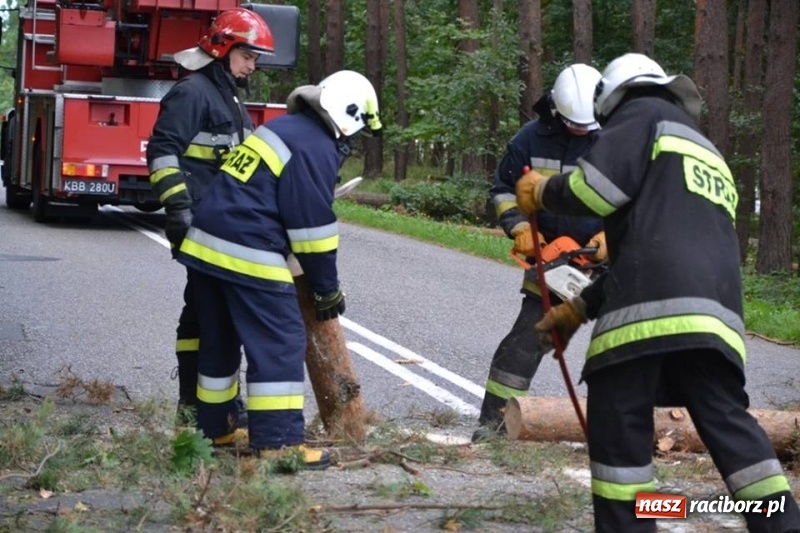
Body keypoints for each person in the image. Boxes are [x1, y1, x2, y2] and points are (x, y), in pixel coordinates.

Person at [516, 53, 800, 532]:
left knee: (618, 416)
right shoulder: (707, 151)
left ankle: (629, 524)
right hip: (716, 321)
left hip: (645, 316)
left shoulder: (641, 114)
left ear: (613, 98)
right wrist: (576, 311)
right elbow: (655, 252)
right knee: (731, 427)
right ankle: (782, 522)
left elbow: (594, 190)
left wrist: (543, 192)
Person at [173, 70, 382, 469]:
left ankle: (215, 428)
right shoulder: (316, 146)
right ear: (349, 115)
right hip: (246, 249)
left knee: (218, 341)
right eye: (357, 133)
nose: (352, 143)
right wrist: (326, 289)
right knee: (282, 339)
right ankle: (280, 444)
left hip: (205, 247)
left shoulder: (284, 129)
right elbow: (313, 232)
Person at [146, 8, 274, 433]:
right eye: (248, 56)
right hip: (200, 224)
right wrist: (179, 211)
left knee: (200, 317)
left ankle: (196, 408)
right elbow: (163, 153)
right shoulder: (193, 93)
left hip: (222, 224)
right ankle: (207, 410)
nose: (253, 65)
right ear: (223, 48)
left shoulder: (229, 96)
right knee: (214, 317)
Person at [474, 64, 606, 442]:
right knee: (523, 343)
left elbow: (642, 198)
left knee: (626, 345)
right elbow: (503, 188)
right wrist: (517, 226)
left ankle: (642, 431)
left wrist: (613, 235)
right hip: (554, 261)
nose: (581, 130)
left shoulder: (616, 140)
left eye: (587, 124)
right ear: (557, 110)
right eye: (574, 124)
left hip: (610, 263)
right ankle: (494, 428)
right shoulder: (530, 139)